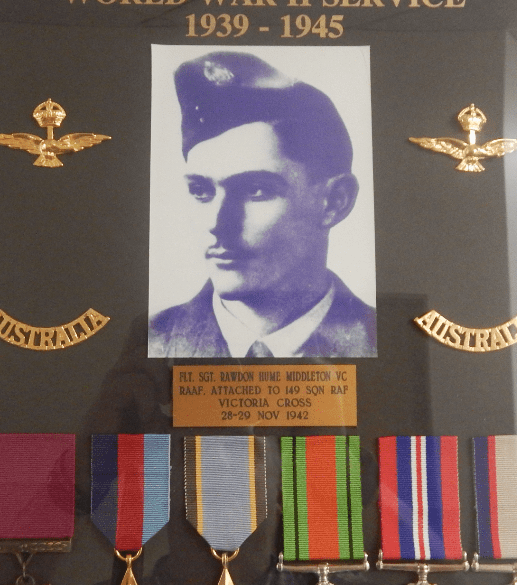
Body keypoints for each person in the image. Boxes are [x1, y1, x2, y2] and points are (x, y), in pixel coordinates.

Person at [148, 51, 377, 358]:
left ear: (335, 202)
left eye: (256, 190)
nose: (217, 224)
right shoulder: (150, 342)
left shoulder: (386, 341)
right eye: (201, 191)